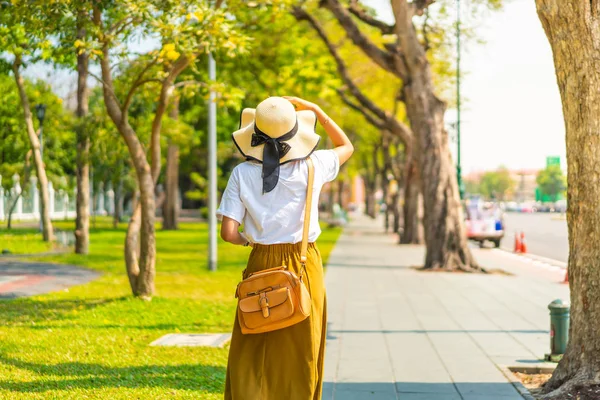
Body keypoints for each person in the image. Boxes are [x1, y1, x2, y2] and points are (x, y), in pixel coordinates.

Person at [217, 96, 353, 400]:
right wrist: (318, 110)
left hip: (261, 261)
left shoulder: (241, 173)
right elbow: (346, 146)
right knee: (302, 348)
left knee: (254, 344)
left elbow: (228, 232)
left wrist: (248, 241)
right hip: (304, 263)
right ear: (297, 132)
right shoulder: (315, 165)